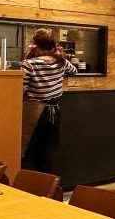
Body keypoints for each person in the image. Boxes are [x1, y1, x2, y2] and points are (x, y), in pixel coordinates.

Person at [21, 29, 77, 173]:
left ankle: (33, 184)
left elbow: (21, 89)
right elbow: (74, 71)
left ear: (35, 44)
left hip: (34, 113)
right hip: (54, 111)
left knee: (30, 153)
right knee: (48, 152)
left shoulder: (30, 64)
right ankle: (50, 184)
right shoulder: (61, 61)